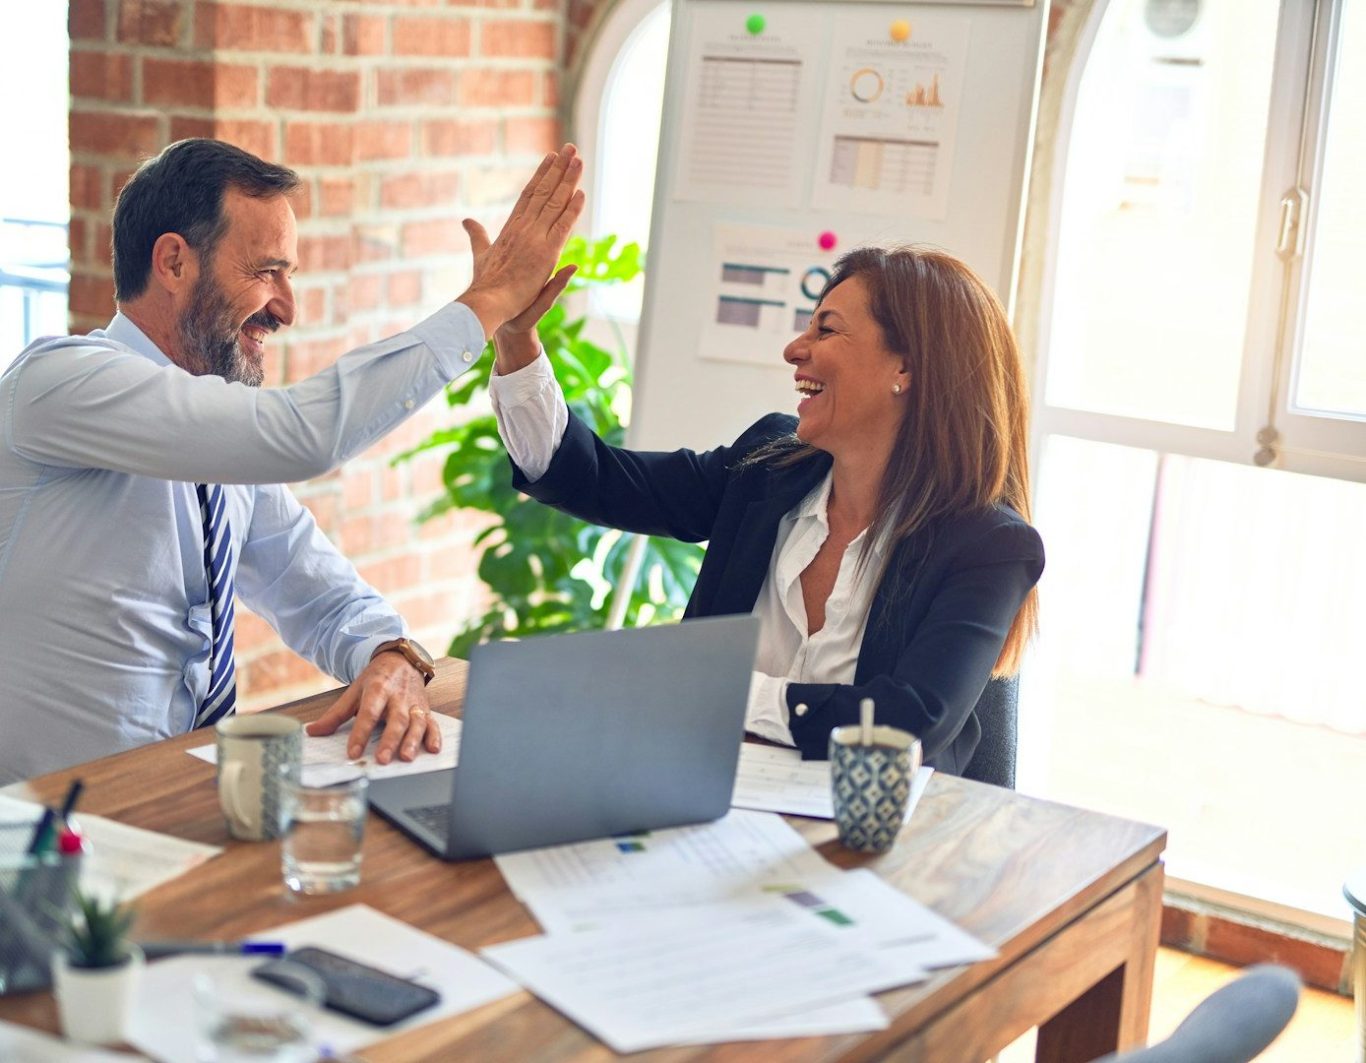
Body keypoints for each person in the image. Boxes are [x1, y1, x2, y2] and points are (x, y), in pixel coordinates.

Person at [0, 138, 583, 785]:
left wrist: (390, 654)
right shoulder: (59, 383)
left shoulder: (217, 449)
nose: (287, 308)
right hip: (43, 830)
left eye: (289, 275)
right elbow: (304, 434)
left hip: (179, 805)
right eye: (265, 271)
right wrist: (489, 302)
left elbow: (323, 597)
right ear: (172, 262)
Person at [487, 245, 1043, 772]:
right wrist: (516, 338)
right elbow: (594, 479)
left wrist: (718, 690)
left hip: (876, 843)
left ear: (906, 369)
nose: (795, 349)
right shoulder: (767, 468)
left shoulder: (988, 545)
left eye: (826, 329)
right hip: (704, 801)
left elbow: (905, 725)